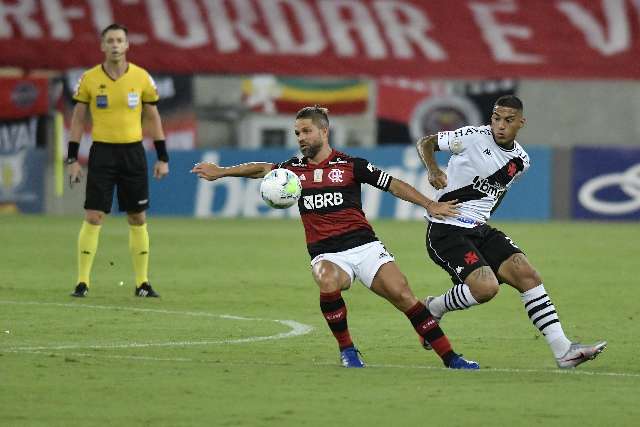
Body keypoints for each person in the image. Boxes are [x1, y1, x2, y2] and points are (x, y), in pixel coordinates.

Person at [191, 106, 479, 369]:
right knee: (327, 279)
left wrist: (430, 204)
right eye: (297, 133)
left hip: (365, 246)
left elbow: (393, 185)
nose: (301, 138)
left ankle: (451, 357)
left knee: (404, 295)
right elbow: (261, 169)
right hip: (327, 252)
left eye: (306, 131)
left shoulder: (351, 165)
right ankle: (348, 350)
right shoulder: (292, 171)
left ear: (324, 131)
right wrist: (222, 172)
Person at [415, 95, 606, 368]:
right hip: (447, 228)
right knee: (486, 288)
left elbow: (500, 190)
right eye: (496, 119)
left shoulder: (521, 160)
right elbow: (426, 142)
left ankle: (564, 351)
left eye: (508, 120)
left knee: (526, 273)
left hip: (479, 228)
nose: (500, 126)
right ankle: (434, 308)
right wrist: (433, 169)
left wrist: (487, 213)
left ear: (521, 123)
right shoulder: (470, 136)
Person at [66, 23, 169, 298]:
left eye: (119, 40)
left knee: (137, 216)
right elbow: (78, 119)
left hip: (133, 153)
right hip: (102, 153)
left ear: (126, 45)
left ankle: (142, 283)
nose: (114, 44)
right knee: (94, 215)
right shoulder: (88, 79)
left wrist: (162, 157)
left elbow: (153, 117)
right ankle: (82, 281)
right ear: (102, 46)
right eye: (109, 40)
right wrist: (72, 158)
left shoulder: (141, 78)